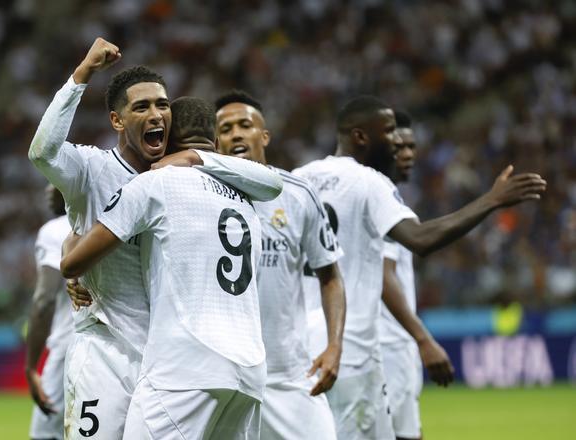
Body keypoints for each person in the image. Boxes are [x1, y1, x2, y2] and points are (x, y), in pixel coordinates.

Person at [29, 37, 282, 439]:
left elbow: (270, 181)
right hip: (106, 350)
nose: (156, 114)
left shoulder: (181, 180)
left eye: (163, 105)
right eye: (142, 107)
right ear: (117, 121)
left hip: (167, 357)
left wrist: (195, 156)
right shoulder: (91, 169)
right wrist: (82, 75)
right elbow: (42, 153)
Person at [294, 95, 546, 440]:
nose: (397, 141)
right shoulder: (370, 183)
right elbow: (422, 239)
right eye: (389, 132)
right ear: (360, 137)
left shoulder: (297, 179)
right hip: (352, 349)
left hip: (302, 348)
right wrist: (492, 200)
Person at [215, 90, 346, 440]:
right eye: (226, 129)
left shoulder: (298, 194)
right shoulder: (200, 194)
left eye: (245, 125)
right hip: (225, 379)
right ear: (215, 143)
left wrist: (334, 345)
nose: (236, 134)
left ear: (264, 135)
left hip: (289, 375)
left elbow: (330, 275)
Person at [378, 110, 447, 440]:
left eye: (411, 147)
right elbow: (383, 275)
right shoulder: (381, 201)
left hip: (392, 345)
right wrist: (423, 338)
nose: (407, 154)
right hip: (387, 346)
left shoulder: (389, 198)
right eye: (398, 146)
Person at [26, 184, 73, 440]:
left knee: (46, 434)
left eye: (54, 181)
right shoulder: (111, 224)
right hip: (123, 348)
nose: (47, 189)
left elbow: (44, 300)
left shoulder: (55, 230)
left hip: (70, 346)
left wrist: (31, 367)